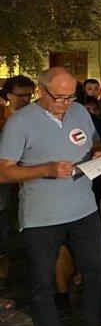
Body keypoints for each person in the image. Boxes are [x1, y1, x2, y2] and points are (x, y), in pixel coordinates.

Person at [0, 67, 101, 326]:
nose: (64, 103)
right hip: (41, 216)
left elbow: (95, 143)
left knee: (95, 269)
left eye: (70, 96)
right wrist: (43, 170)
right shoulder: (20, 122)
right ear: (41, 91)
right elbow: (5, 171)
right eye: (58, 97)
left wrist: (99, 153)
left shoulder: (79, 113)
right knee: (42, 279)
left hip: (84, 209)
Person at [0, 75, 35, 310]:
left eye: (28, 95)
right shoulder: (4, 121)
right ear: (8, 96)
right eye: (19, 95)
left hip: (25, 188)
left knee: (13, 239)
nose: (24, 100)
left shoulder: (34, 119)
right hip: (4, 186)